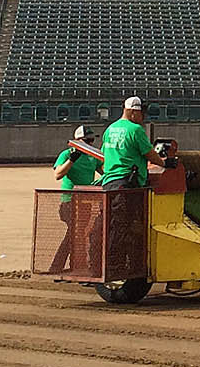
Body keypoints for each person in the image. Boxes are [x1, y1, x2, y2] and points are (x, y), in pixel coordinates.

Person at [99, 97, 175, 277]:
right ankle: (116, 266)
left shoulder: (110, 129)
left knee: (113, 224)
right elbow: (150, 154)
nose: (143, 117)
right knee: (125, 226)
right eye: (142, 113)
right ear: (133, 111)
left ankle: (111, 263)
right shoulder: (135, 130)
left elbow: (104, 155)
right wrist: (166, 163)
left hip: (109, 182)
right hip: (128, 184)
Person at [47, 125, 99, 275]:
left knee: (79, 233)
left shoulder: (92, 156)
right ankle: (64, 267)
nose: (90, 144)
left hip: (85, 201)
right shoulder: (66, 154)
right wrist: (71, 160)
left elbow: (104, 171)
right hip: (69, 200)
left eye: (91, 140)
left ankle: (73, 266)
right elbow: (58, 174)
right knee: (75, 233)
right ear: (77, 141)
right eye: (87, 141)